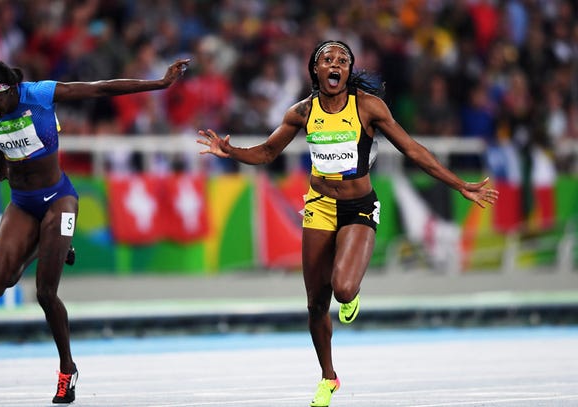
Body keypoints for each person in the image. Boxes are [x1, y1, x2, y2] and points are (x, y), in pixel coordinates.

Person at [197, 40, 498, 407]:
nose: (335, 63)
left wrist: (460, 184)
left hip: (358, 206)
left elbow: (414, 150)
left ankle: (351, 292)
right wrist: (230, 152)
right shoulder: (302, 112)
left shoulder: (368, 107)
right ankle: (328, 377)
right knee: (315, 304)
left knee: (342, 289)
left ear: (348, 72)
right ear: (316, 70)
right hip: (319, 206)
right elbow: (267, 152)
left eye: (343, 59)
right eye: (328, 59)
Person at [0, 57, 190, 404]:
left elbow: (101, 88)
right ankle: (49, 244)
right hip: (23, 203)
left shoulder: (39, 95)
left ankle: (66, 369)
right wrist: (1, 168)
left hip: (59, 199)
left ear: (12, 90)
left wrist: (158, 84)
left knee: (45, 293)